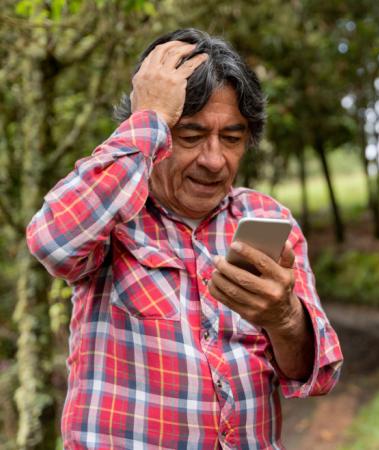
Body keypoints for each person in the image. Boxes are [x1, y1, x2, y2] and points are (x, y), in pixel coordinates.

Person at [26, 28, 343, 449]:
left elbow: (316, 374)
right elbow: (52, 241)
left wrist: (283, 317)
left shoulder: (267, 218)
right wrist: (151, 116)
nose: (214, 160)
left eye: (231, 138)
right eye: (190, 136)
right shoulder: (114, 213)